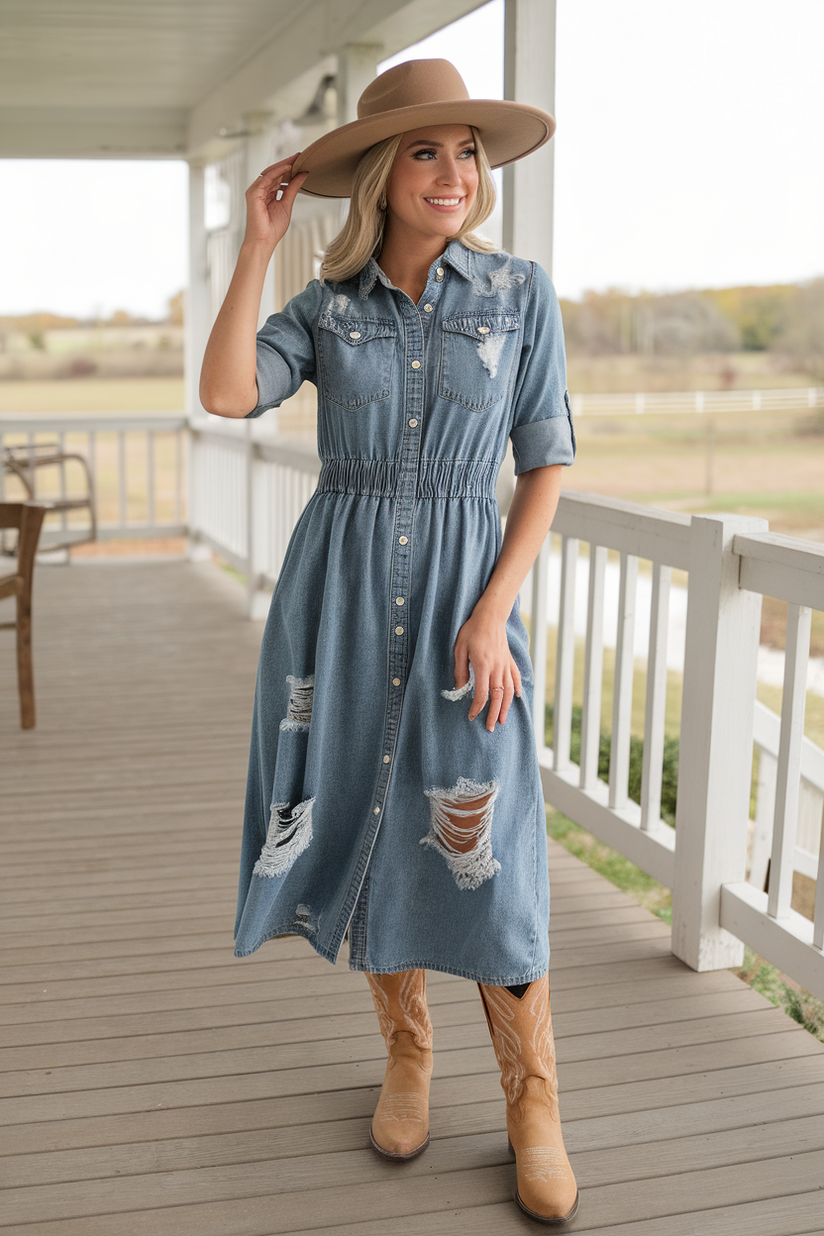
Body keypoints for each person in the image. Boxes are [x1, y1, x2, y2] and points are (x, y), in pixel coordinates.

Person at [200, 58, 579, 1227]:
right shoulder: (328, 310)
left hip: (470, 599)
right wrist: (257, 246)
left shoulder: (518, 294)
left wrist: (492, 610)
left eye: (467, 151)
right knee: (362, 809)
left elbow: (546, 458)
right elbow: (224, 394)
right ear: (379, 172)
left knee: (488, 835)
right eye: (427, 150)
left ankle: (533, 1102)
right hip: (340, 598)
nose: (454, 173)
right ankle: (405, 1055)